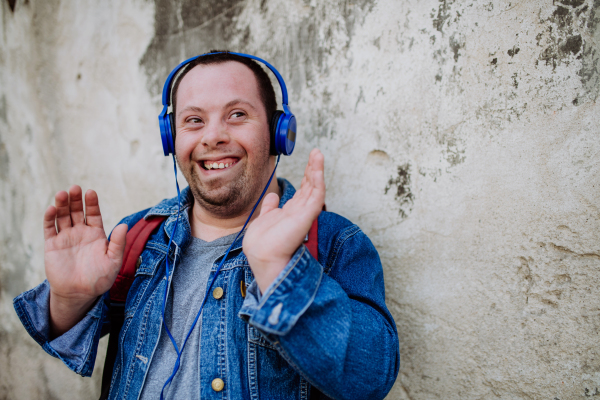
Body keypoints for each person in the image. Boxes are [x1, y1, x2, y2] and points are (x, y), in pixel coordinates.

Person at [13, 51, 400, 400]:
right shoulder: (137, 238)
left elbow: (370, 379)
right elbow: (68, 334)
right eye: (194, 120)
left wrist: (280, 273)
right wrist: (69, 299)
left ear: (279, 133)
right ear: (172, 138)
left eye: (237, 115)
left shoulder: (334, 241)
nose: (213, 136)